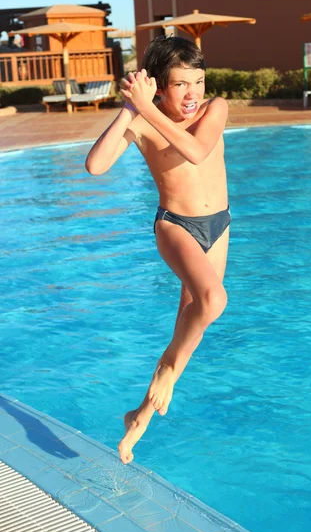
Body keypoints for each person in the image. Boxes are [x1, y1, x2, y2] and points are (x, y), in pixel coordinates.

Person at [85, 36, 230, 464]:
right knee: (212, 300)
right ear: (159, 85)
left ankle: (139, 418)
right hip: (175, 227)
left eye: (198, 81)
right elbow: (95, 166)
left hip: (218, 226)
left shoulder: (214, 109)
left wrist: (147, 108)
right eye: (181, 84)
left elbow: (198, 151)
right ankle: (164, 378)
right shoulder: (143, 121)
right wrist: (132, 108)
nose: (193, 94)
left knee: (191, 328)